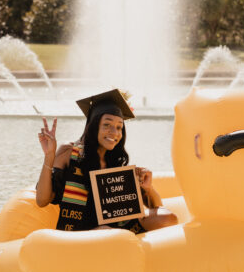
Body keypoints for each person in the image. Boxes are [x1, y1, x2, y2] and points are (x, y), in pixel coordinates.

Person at [36, 89, 178, 234]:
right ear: (93, 125)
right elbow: (42, 200)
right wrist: (49, 155)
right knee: (105, 231)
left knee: (168, 218)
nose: (114, 132)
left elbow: (157, 206)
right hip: (82, 230)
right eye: (107, 125)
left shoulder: (116, 161)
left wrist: (147, 188)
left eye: (119, 127)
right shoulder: (69, 152)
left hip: (119, 226)